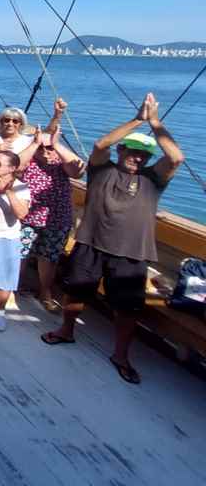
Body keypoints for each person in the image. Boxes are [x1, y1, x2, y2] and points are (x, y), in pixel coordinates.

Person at [42, 92, 183, 384]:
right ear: (121, 150)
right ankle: (66, 331)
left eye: (143, 154)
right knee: (75, 292)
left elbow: (176, 157)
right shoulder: (101, 170)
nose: (137, 156)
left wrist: (155, 123)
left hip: (132, 253)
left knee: (127, 307)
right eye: (132, 150)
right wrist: (136, 120)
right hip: (90, 243)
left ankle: (121, 355)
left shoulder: (152, 179)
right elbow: (100, 144)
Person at [17, 107, 85, 311]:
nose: (46, 153)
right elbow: (15, 164)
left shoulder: (61, 163)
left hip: (57, 218)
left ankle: (45, 291)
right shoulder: (29, 162)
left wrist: (56, 145)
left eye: (50, 149)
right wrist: (35, 144)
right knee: (20, 254)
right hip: (27, 217)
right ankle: (12, 287)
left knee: (49, 257)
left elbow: (78, 170)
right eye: (42, 149)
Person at [0, 151, 30, 332]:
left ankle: (0, 311)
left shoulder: (21, 187)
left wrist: (9, 191)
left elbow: (21, 214)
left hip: (7, 236)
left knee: (6, 276)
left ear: (11, 168)